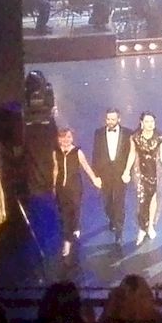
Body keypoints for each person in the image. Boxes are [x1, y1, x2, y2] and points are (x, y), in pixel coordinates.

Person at [53, 126, 101, 260]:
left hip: (75, 187)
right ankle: (67, 241)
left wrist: (94, 179)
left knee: (75, 211)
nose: (66, 140)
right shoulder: (56, 152)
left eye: (68, 137)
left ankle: (75, 227)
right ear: (59, 139)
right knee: (64, 215)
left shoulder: (77, 152)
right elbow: (56, 169)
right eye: (63, 137)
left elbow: (86, 167)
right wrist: (54, 185)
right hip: (61, 188)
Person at [91, 108, 135, 249]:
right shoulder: (98, 133)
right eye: (108, 119)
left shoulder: (128, 133)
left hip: (120, 173)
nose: (110, 121)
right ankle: (112, 218)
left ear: (119, 119)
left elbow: (131, 154)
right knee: (107, 201)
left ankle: (119, 233)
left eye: (113, 119)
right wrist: (96, 175)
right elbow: (95, 154)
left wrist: (128, 172)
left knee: (119, 202)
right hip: (104, 173)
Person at [131, 112, 162, 245]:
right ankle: (142, 227)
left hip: (155, 171)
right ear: (141, 123)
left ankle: (150, 226)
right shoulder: (135, 137)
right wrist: (126, 171)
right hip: (140, 171)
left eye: (152, 121)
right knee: (142, 199)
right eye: (147, 121)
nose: (150, 124)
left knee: (153, 198)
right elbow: (132, 154)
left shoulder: (160, 137)